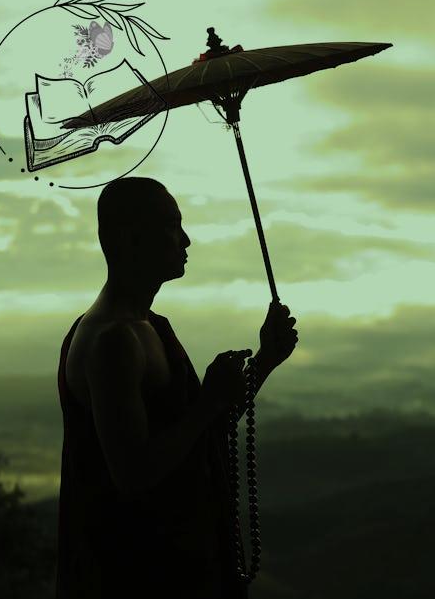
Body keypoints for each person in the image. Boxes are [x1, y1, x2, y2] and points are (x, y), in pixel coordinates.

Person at [54, 177, 297, 598]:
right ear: (130, 238)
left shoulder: (150, 326)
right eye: (171, 225)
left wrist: (265, 361)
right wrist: (207, 403)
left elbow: (191, 433)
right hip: (137, 579)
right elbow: (133, 473)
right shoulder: (112, 342)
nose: (185, 239)